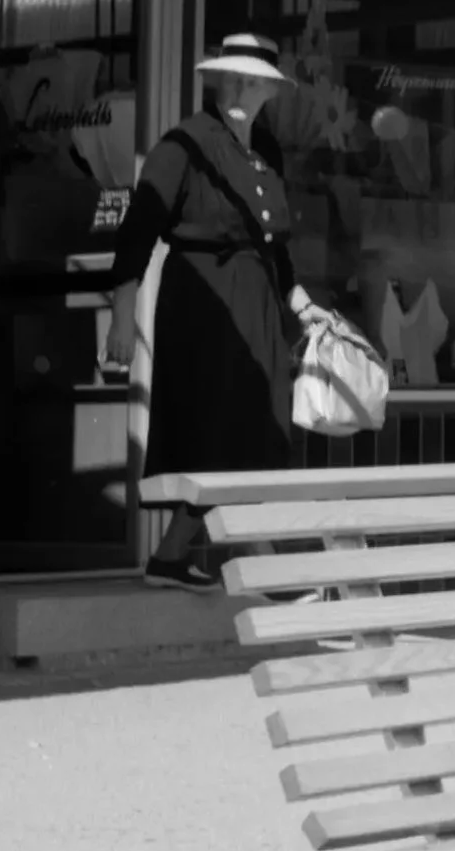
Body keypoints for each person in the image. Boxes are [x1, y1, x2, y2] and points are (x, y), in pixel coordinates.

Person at [108, 34, 319, 590]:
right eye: (233, 78)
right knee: (221, 431)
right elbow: (140, 225)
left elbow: (274, 244)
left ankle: (171, 555)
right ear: (217, 80)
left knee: (256, 431)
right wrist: (122, 311)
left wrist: (299, 301)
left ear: (271, 91)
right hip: (204, 306)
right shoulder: (185, 143)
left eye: (253, 82)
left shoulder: (266, 150)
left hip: (258, 305)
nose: (240, 90)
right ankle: (264, 567)